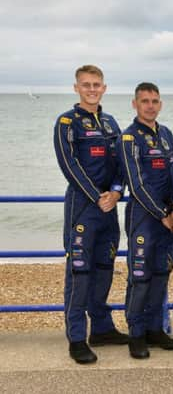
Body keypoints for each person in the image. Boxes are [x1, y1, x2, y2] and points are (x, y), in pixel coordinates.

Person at [54, 64, 128, 364]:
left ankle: (101, 328)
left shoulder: (111, 123)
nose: (92, 89)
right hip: (83, 207)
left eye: (96, 84)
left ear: (104, 87)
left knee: (104, 270)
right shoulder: (66, 122)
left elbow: (123, 166)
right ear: (76, 88)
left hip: (108, 208)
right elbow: (68, 166)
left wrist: (116, 192)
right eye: (86, 84)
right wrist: (97, 196)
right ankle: (76, 338)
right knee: (80, 274)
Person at [117, 82, 173, 359]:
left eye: (155, 101)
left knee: (161, 275)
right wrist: (163, 214)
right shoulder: (129, 138)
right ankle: (136, 334)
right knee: (140, 277)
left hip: (169, 219)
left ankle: (156, 329)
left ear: (160, 104)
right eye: (145, 101)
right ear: (135, 104)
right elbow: (136, 184)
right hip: (144, 217)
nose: (150, 105)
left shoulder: (166, 135)